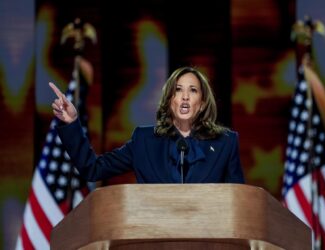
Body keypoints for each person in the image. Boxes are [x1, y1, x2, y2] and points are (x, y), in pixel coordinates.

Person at [49, 66, 245, 184]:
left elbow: (239, 202)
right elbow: (93, 169)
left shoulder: (224, 143)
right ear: (170, 100)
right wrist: (72, 123)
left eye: (193, 90)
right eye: (178, 90)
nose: (185, 96)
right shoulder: (144, 142)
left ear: (202, 104)